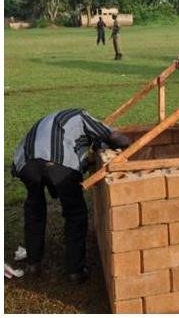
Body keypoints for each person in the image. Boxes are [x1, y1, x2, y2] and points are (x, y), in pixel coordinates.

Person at [11, 108, 131, 284]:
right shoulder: (82, 116)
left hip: (26, 164)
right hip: (56, 162)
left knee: (34, 211)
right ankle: (76, 271)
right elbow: (113, 137)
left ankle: (33, 264)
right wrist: (129, 145)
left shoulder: (51, 119)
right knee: (75, 213)